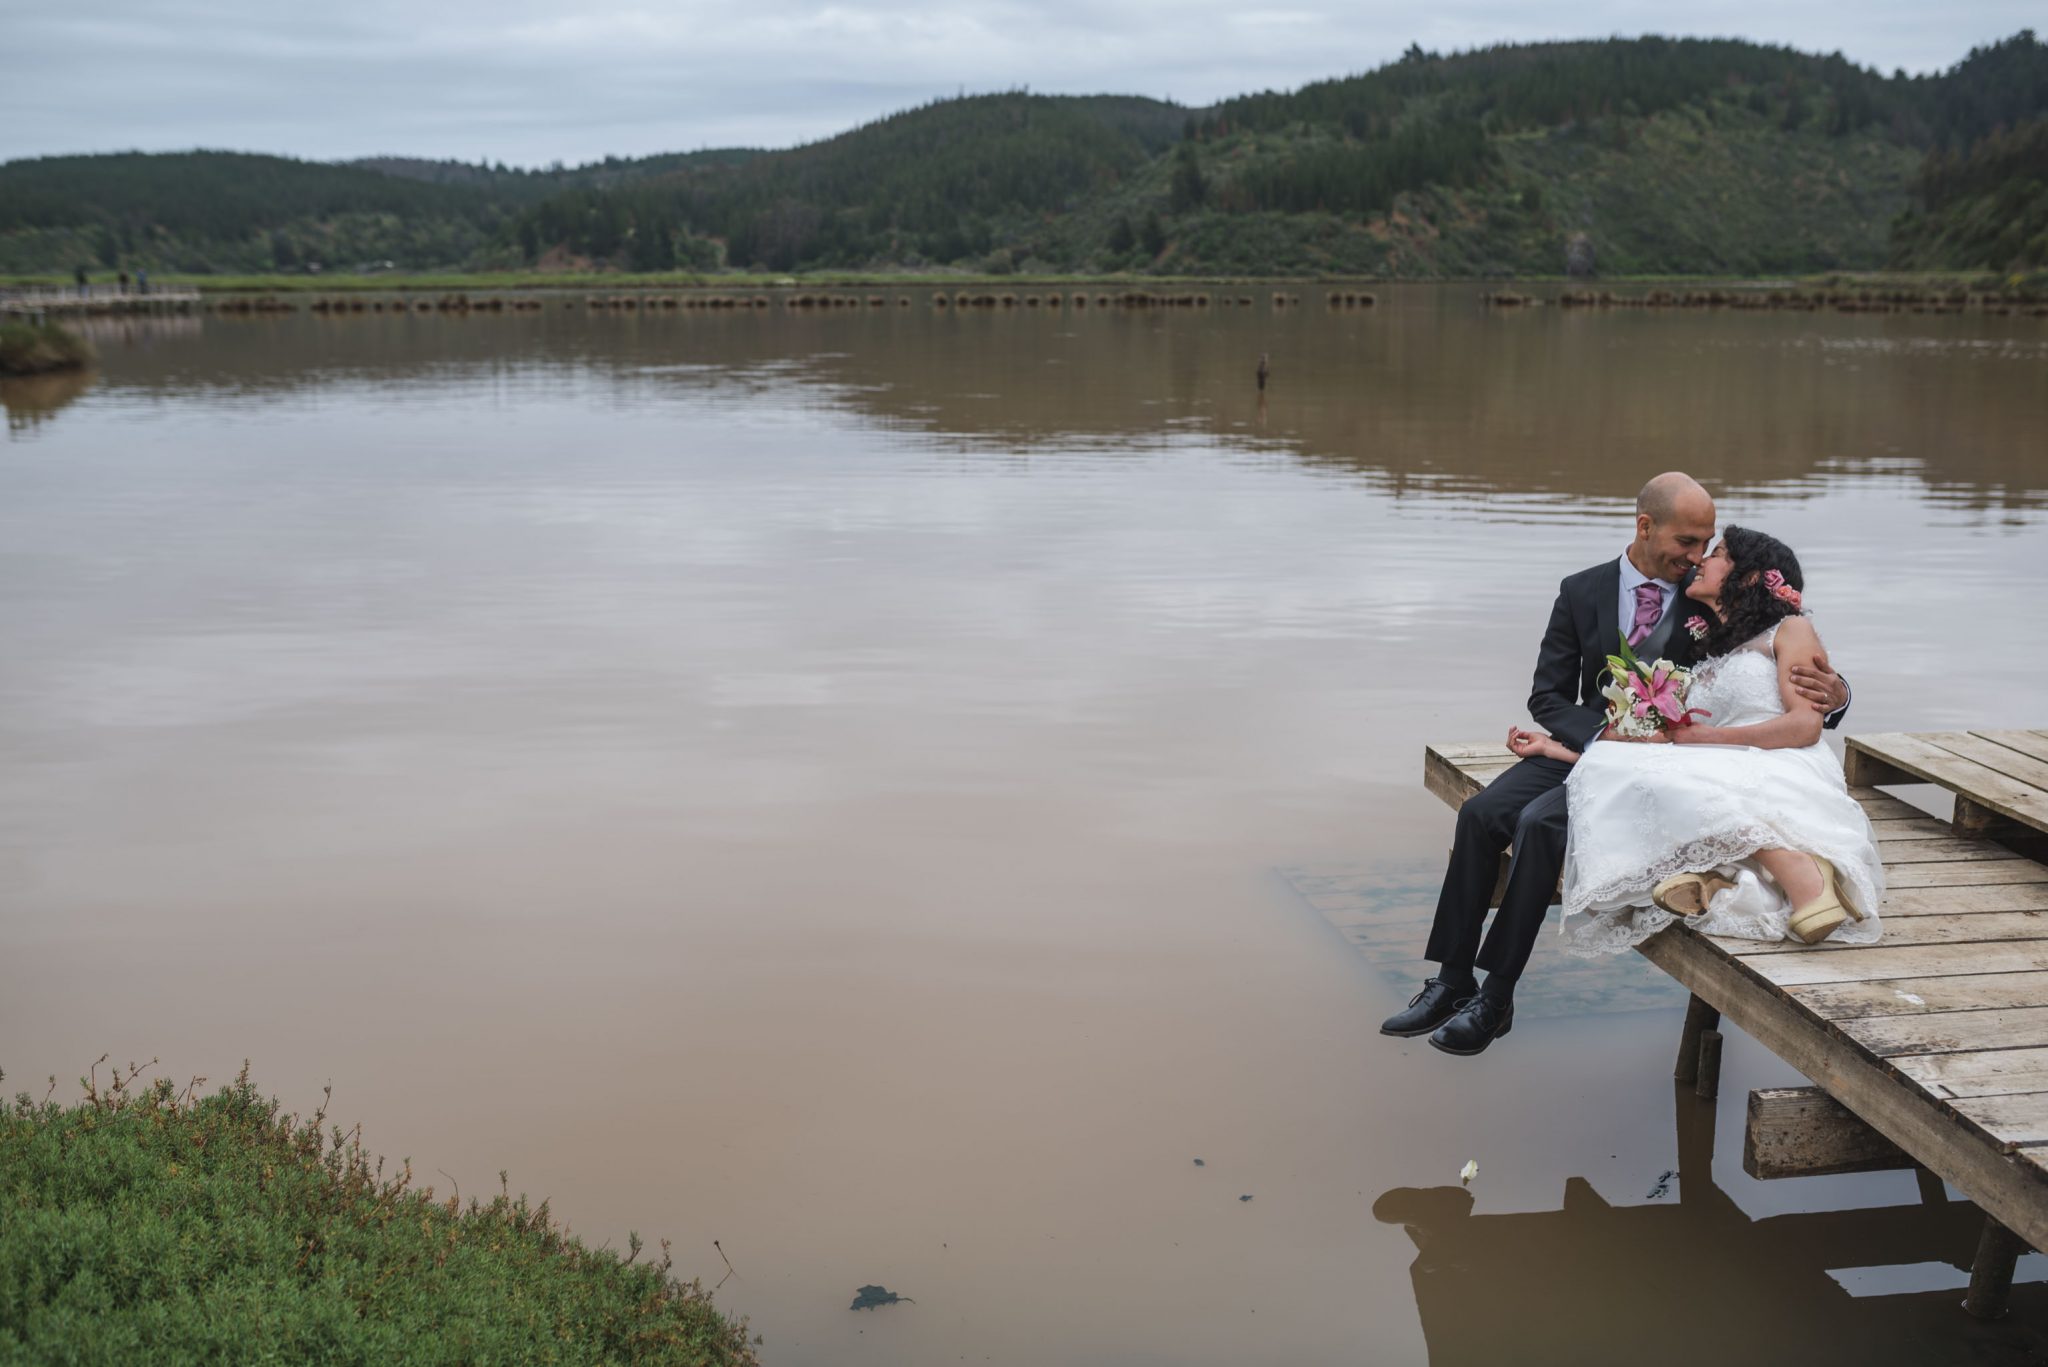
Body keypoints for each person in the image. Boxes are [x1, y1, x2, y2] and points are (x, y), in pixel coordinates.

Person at [1379, 473, 1850, 1057]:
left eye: (1707, 544)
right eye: (1686, 541)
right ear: (1645, 527)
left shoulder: (1707, 597)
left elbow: (1767, 660)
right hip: (1593, 744)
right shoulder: (1581, 591)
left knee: (1540, 826)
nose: (1697, 555)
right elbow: (1547, 697)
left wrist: (1839, 693)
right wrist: (1602, 735)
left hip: (1662, 763)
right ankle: (1451, 980)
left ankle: (1496, 996)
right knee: (1480, 814)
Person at [1510, 526, 1883, 953]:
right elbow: (1653, 744)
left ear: (1747, 576)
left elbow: (1805, 726)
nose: (1701, 560)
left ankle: (1798, 869)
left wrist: (1711, 736)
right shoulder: (1709, 647)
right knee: (1633, 775)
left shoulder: (1790, 629)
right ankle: (1723, 887)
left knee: (1663, 784)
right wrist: (1554, 748)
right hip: (1721, 759)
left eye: (1718, 553)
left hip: (1782, 758)